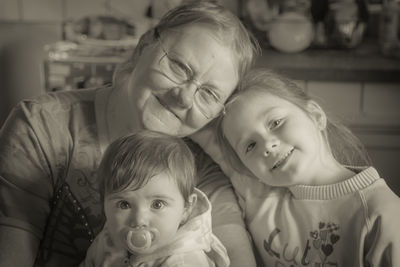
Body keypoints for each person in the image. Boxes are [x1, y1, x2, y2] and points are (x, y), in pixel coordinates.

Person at [0, 2, 260, 267]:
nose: (183, 97)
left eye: (209, 94)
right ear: (144, 45)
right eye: (179, 67)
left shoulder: (200, 175)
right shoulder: (41, 127)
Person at [214, 69, 400, 266]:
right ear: (244, 166)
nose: (267, 146)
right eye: (250, 145)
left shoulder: (382, 214)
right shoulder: (259, 199)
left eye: (276, 123)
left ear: (316, 115)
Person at [79, 130, 229, 267]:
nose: (139, 220)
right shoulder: (107, 240)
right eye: (124, 204)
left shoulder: (184, 261)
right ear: (104, 203)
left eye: (157, 204)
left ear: (186, 209)